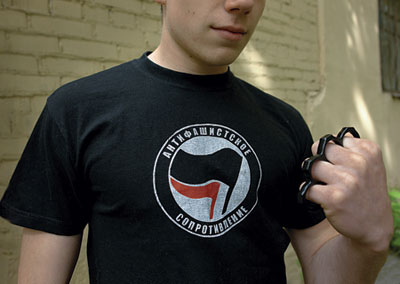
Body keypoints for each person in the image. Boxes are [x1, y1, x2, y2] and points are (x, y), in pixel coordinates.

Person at [0, 0, 393, 283]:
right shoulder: (76, 111)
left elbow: (327, 272)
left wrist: (368, 244)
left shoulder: (284, 123)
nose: (242, 4)